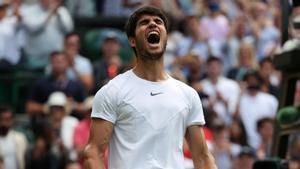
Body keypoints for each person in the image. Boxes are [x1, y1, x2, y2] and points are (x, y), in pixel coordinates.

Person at [84, 6, 216, 169]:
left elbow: (202, 157)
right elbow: (93, 153)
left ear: (166, 37)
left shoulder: (188, 94)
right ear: (132, 40)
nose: (153, 24)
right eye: (144, 22)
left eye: (158, 22)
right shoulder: (112, 91)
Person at [21, 0, 73, 68]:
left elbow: (68, 29)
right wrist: (49, 13)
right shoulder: (28, 10)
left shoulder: (61, 10)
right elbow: (33, 29)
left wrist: (58, 15)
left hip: (56, 57)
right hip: (34, 57)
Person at [0, 105, 27, 169]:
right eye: (2, 119)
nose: (4, 123)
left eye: (7, 119)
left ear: (12, 120)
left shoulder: (20, 138)